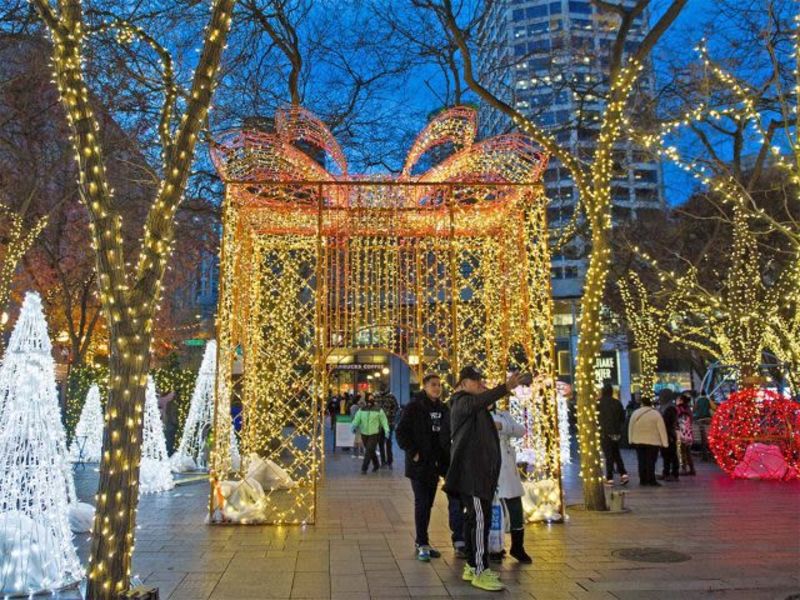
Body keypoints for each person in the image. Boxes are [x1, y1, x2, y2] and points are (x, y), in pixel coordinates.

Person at [444, 366, 528, 592]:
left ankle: (472, 565)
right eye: (476, 381)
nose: (481, 385)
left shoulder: (475, 409)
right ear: (463, 383)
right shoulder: (461, 401)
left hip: (480, 475)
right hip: (472, 476)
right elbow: (479, 402)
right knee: (480, 522)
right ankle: (480, 569)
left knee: (475, 521)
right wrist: (506, 387)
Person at [395, 373, 465, 561]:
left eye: (439, 385)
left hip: (437, 464)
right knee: (422, 503)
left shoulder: (443, 408)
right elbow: (401, 432)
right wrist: (414, 452)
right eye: (433, 385)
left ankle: (428, 541)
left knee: (429, 503)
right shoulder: (414, 406)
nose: (437, 388)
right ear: (424, 386)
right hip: (419, 465)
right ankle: (421, 543)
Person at [491, 398, 532, 564]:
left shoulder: (503, 414)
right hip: (490, 466)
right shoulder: (477, 415)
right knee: (494, 509)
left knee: (515, 507)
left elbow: (521, 430)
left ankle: (518, 546)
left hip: (508, 466)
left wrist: (503, 427)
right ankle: (493, 547)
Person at [628, 395, 668, 486]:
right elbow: (661, 429)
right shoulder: (656, 414)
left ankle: (643, 479)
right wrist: (665, 443)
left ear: (642, 404)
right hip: (653, 441)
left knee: (641, 460)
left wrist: (630, 439)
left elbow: (630, 427)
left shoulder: (635, 413)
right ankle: (651, 480)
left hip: (638, 441)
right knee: (651, 461)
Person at [351, 395, 389, 474]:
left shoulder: (379, 410)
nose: (370, 400)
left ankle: (364, 468)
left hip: (374, 433)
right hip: (364, 433)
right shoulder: (361, 410)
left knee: (368, 450)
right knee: (371, 450)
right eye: (369, 398)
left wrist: (386, 431)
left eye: (372, 398)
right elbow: (357, 419)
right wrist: (353, 426)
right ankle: (376, 464)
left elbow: (384, 421)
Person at [658, 389, 680, 481]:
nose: (660, 398)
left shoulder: (670, 408)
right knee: (665, 454)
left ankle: (674, 473)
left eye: (661, 396)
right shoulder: (665, 407)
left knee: (671, 454)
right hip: (666, 433)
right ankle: (666, 472)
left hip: (669, 434)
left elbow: (668, 422)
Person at [375, 386, 399, 469]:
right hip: (380, 424)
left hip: (388, 423)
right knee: (381, 443)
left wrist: (390, 414)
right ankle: (384, 461)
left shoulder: (391, 397)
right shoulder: (376, 397)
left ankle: (389, 461)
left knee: (388, 443)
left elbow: (396, 408)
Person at [676, 393, 696, 476]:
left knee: (682, 451)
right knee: (687, 452)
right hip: (688, 433)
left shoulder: (679, 409)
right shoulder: (688, 409)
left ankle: (683, 469)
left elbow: (678, 421)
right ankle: (692, 469)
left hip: (681, 433)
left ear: (681, 400)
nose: (676, 401)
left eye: (678, 399)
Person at [693, 394, 716, 461]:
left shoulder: (697, 400)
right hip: (708, 419)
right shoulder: (708, 400)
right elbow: (714, 407)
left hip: (699, 420)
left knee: (703, 439)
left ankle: (704, 456)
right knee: (710, 438)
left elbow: (694, 409)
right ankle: (712, 455)